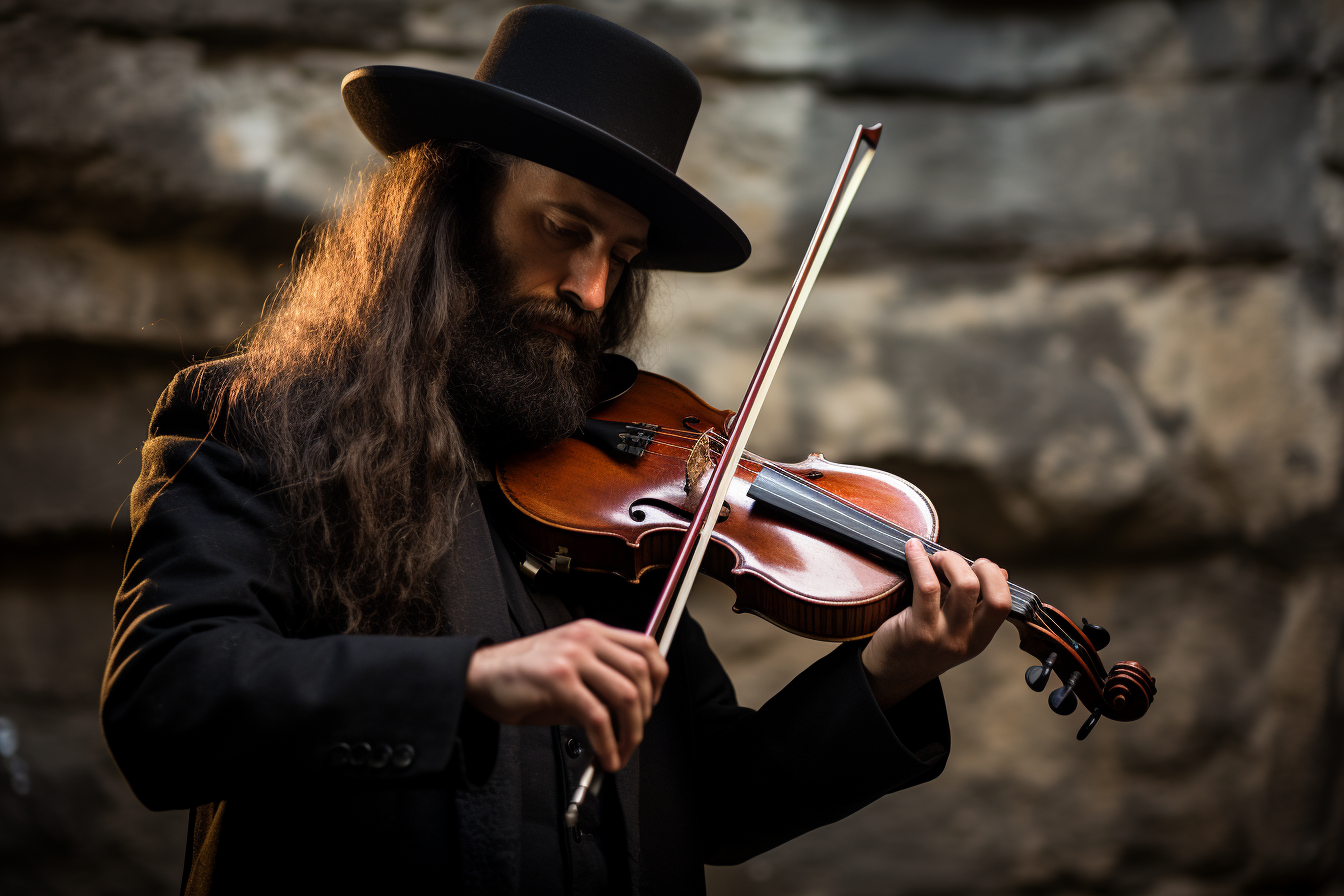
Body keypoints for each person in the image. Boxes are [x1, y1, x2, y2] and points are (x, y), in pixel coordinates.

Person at [100, 6, 1012, 894]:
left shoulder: (616, 502)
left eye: (622, 254)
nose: (590, 288)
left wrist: (889, 671)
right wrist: (469, 679)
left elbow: (717, 803)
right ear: (454, 209)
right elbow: (166, 701)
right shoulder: (261, 422)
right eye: (564, 229)